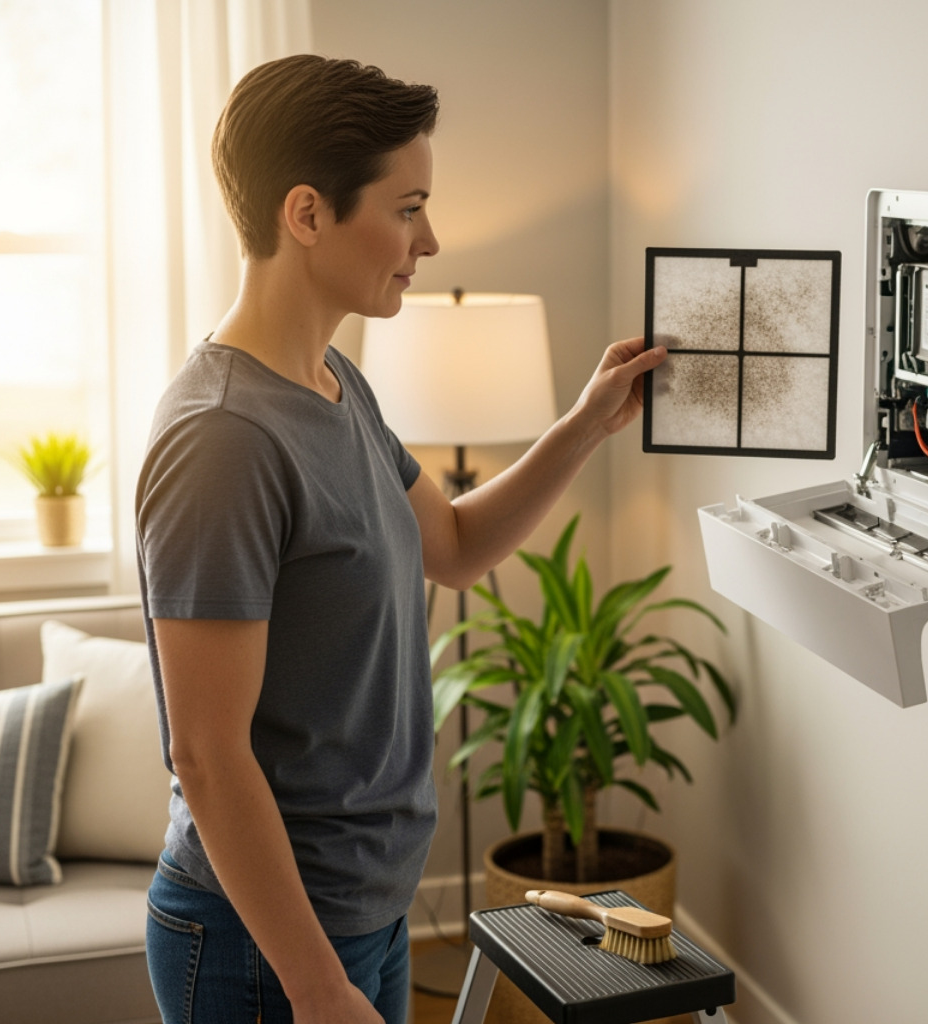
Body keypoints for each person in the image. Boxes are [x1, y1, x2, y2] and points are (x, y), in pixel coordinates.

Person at [136, 55, 665, 1024]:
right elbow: (206, 753)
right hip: (268, 945)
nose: (430, 239)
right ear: (307, 213)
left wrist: (587, 423)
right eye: (409, 207)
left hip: (363, 915)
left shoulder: (336, 381)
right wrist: (316, 986)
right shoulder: (223, 437)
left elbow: (454, 546)